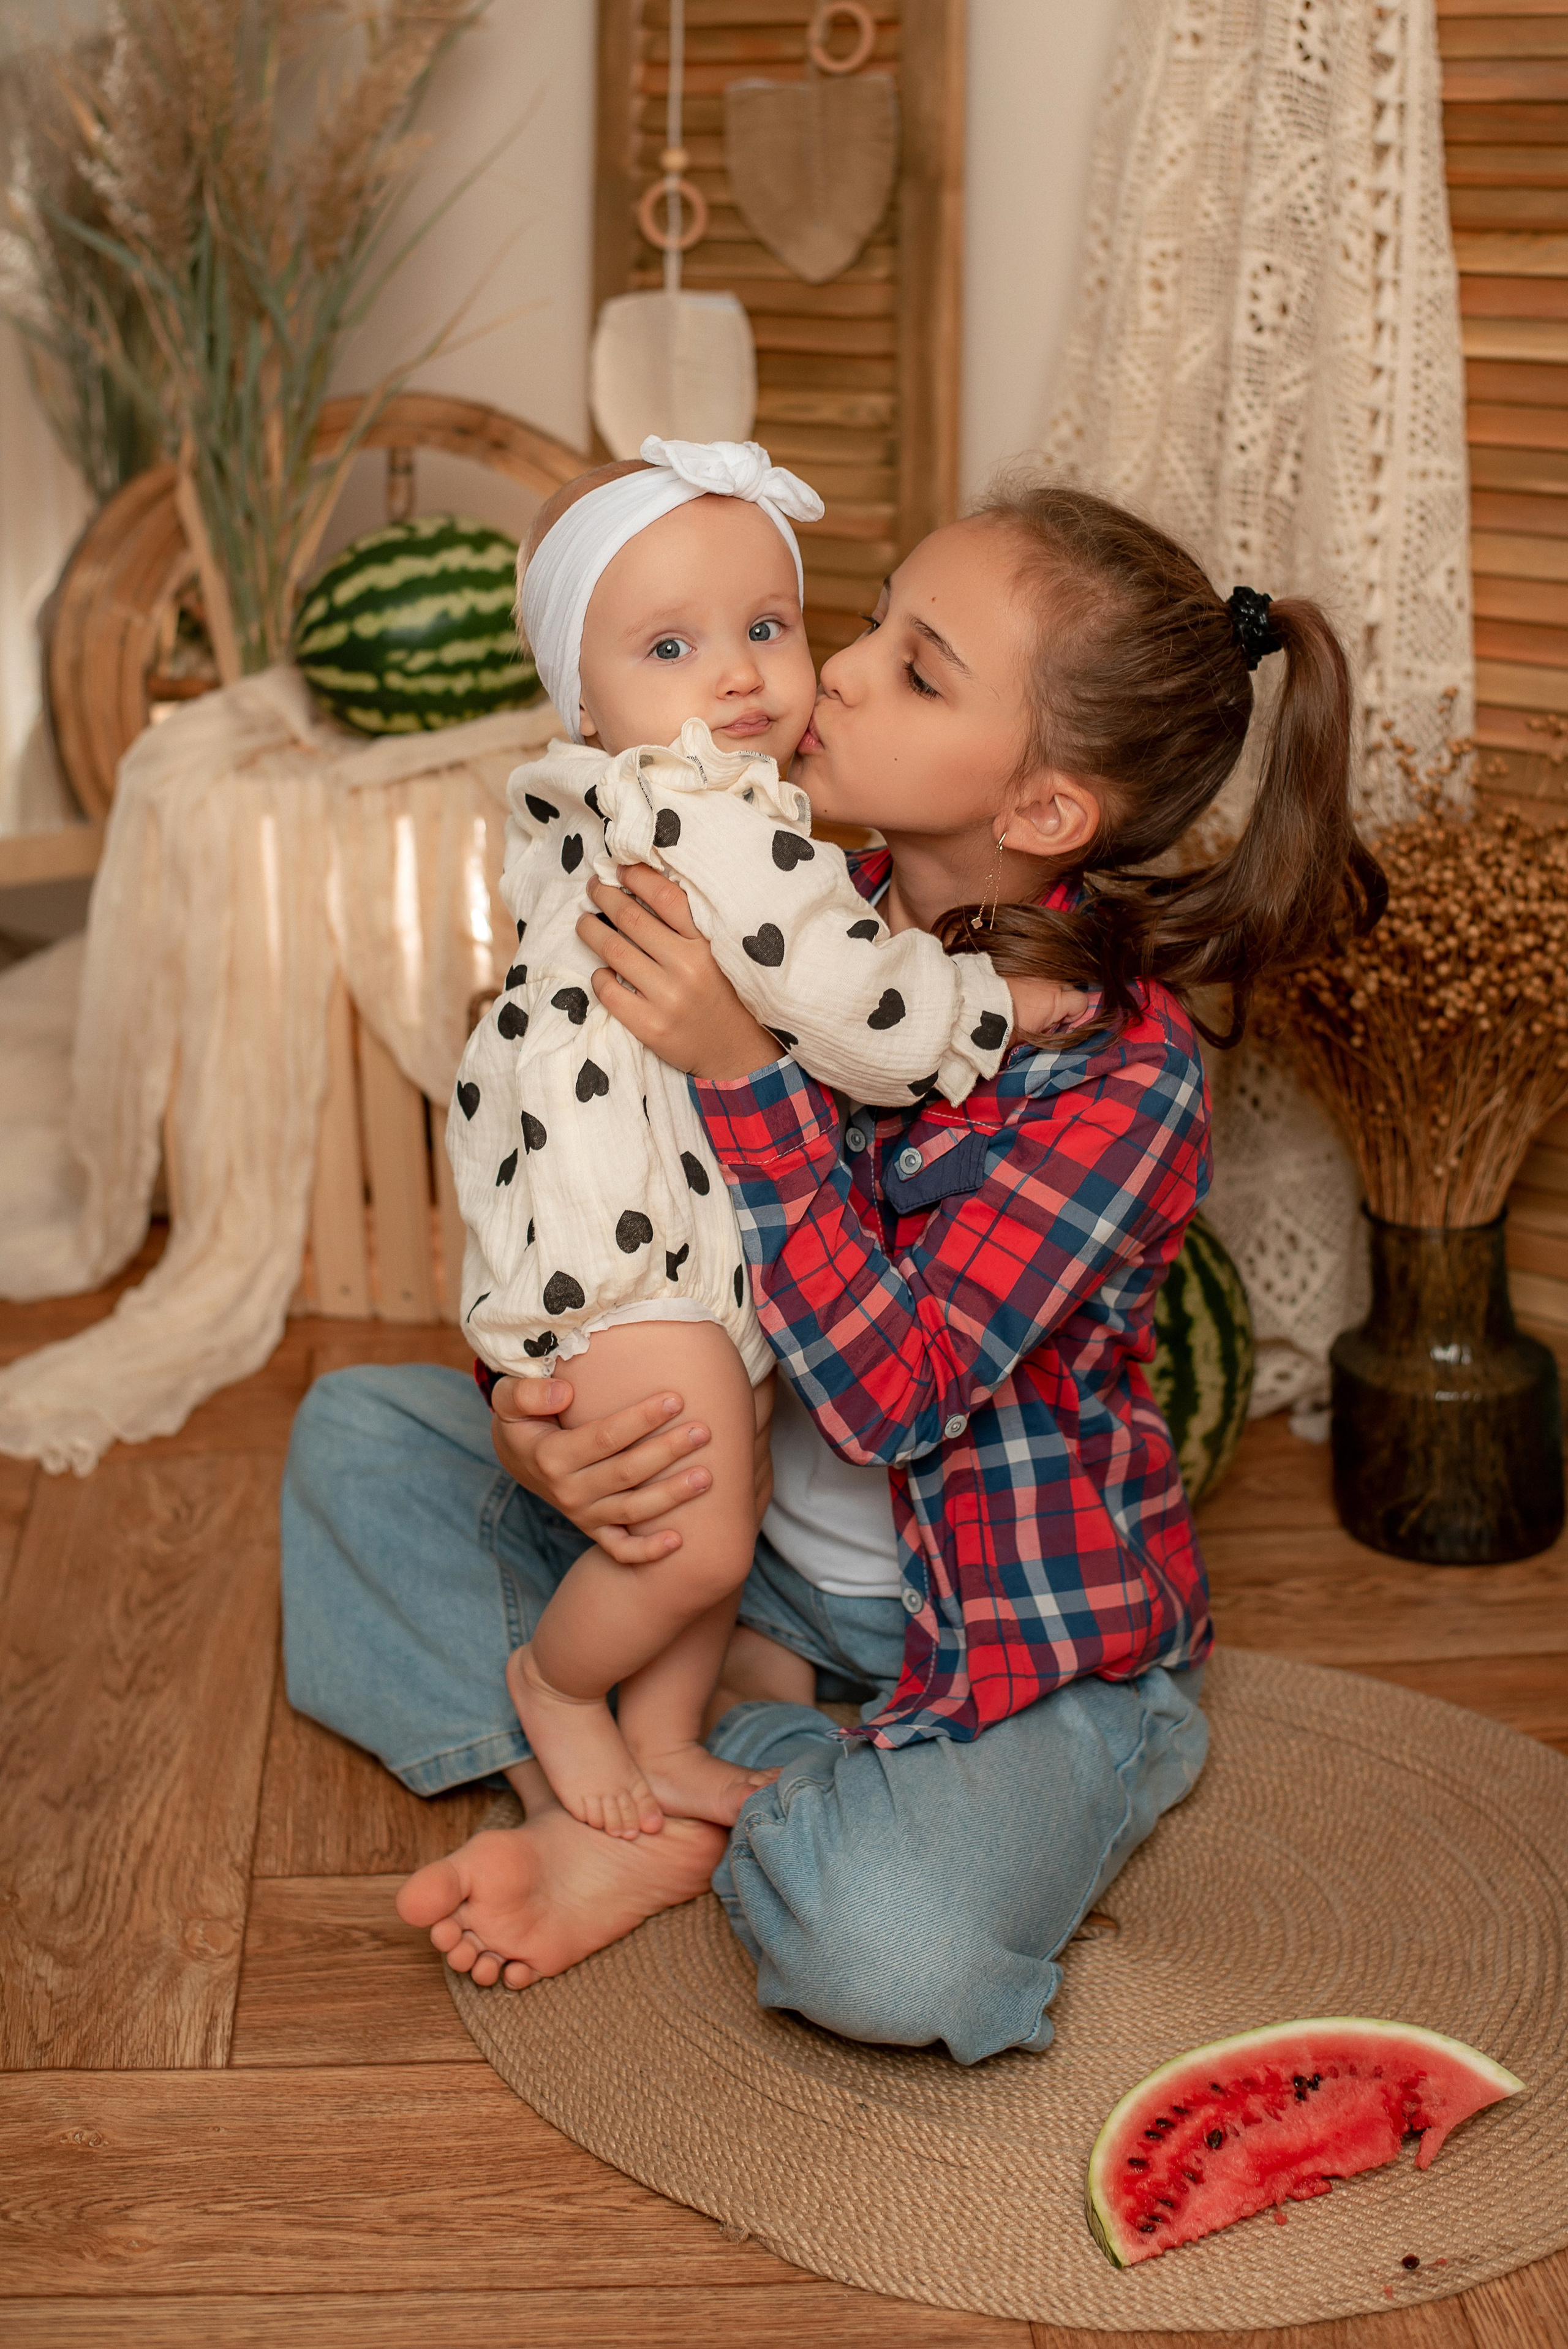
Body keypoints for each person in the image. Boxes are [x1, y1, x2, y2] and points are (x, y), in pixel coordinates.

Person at [281, 479, 1382, 2065]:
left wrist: (741, 1074)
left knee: (896, 1947)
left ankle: (709, 1779)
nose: (833, 670)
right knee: (353, 1442)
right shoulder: (780, 912)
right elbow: (576, 1176)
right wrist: (541, 1416)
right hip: (739, 1549)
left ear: (1047, 811)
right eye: (866, 621)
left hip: (1012, 1631)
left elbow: (896, 1394)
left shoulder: (1122, 1077)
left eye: (917, 669)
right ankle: (655, 1758)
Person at [453, 436, 1077, 1841]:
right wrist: (989, 1006)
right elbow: (851, 998)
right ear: (584, 697)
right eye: (670, 646)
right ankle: (555, 1688)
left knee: (699, 1515)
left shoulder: (630, 804)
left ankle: (662, 1741)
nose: (741, 675)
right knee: (693, 1531)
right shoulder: (702, 814)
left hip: (669, 1231)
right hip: (638, 1243)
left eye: (769, 626)